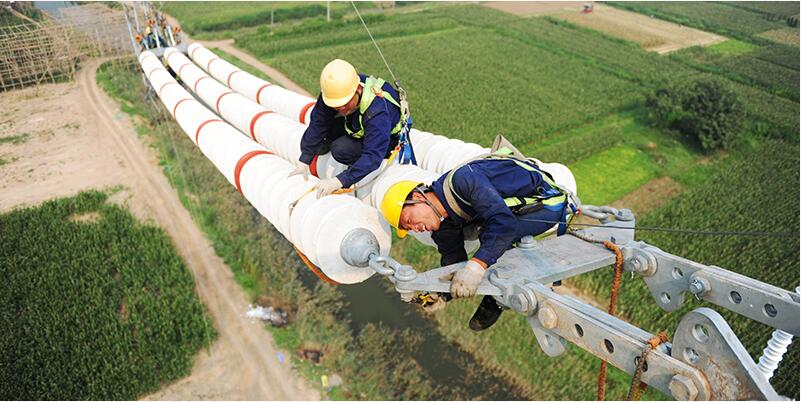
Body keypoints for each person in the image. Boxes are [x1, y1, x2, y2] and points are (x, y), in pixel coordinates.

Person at [379, 151, 575, 331]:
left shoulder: (462, 180)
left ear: (416, 197)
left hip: (546, 202)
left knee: (490, 232)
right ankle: (499, 282)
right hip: (510, 211)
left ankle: (496, 299)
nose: (415, 228)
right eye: (409, 229)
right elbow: (453, 258)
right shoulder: (442, 223)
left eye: (409, 221)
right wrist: (441, 294)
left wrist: (476, 267)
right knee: (485, 235)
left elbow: (503, 224)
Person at [289, 59, 406, 198]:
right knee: (322, 133)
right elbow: (318, 122)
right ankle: (324, 145)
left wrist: (340, 180)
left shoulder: (378, 110)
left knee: (341, 149)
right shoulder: (337, 92)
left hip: (386, 139)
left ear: (358, 89)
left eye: (345, 104)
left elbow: (373, 155)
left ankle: (358, 161)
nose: (342, 109)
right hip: (358, 122)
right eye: (337, 106)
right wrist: (305, 158)